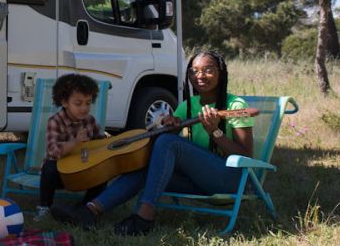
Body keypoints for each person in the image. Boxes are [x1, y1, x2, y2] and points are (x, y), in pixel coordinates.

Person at [52, 51, 252, 236]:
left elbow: (246, 157)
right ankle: (90, 210)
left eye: (208, 70)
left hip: (229, 181)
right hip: (198, 182)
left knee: (169, 143)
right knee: (148, 160)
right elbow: (162, 143)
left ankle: (144, 216)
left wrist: (215, 132)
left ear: (221, 73)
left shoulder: (235, 105)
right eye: (195, 71)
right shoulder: (188, 105)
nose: (200, 75)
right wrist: (169, 125)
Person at [34, 74, 108, 222]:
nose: (84, 108)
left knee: (104, 171)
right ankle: (45, 207)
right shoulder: (55, 121)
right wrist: (75, 142)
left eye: (88, 103)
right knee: (48, 167)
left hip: (83, 172)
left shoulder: (90, 121)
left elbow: (102, 143)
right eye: (78, 103)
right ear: (64, 102)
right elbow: (52, 151)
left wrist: (106, 140)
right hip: (61, 175)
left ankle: (85, 208)